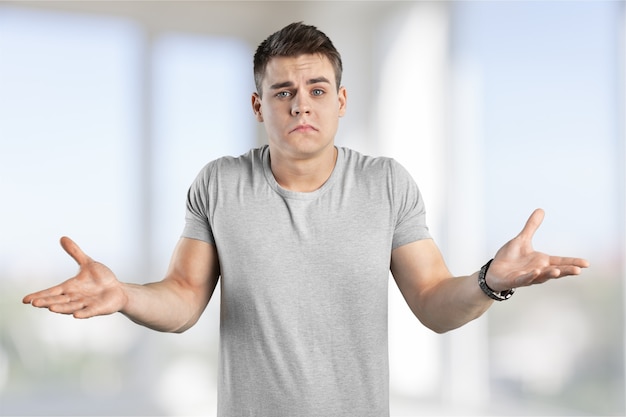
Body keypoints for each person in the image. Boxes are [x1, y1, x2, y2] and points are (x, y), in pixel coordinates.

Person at [23, 22, 589, 417]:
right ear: (258, 105)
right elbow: (183, 298)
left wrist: (490, 280)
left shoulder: (386, 183)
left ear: (340, 100)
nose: (301, 105)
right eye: (283, 92)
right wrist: (124, 294)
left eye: (317, 90)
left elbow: (434, 302)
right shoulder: (219, 182)